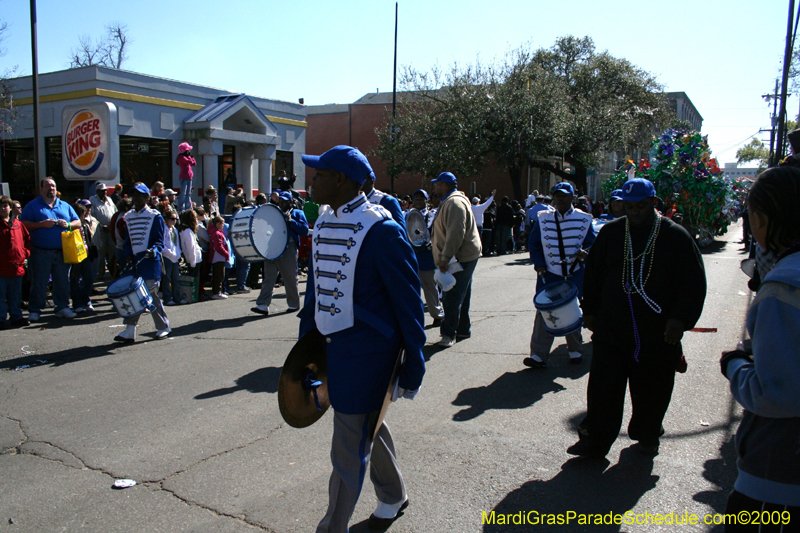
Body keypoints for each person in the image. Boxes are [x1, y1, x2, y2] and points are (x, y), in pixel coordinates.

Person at [299, 145, 425, 533]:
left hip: (371, 354)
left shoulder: (382, 229)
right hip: (335, 349)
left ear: (340, 180)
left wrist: (414, 361)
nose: (312, 180)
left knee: (347, 448)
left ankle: (331, 527)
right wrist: (306, 346)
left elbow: (409, 300)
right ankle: (393, 494)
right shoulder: (322, 223)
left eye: (319, 175)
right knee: (365, 424)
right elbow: (314, 296)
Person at [569, 177, 706, 458]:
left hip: (657, 332)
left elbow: (693, 283)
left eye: (641, 206)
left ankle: (647, 433)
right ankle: (595, 439)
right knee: (603, 389)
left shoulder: (675, 236)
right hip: (613, 329)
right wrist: (591, 311)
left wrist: (680, 320)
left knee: (652, 390)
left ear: (654, 203)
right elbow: (593, 275)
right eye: (629, 207)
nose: (634, 213)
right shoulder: (611, 233)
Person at [719, 166, 800, 526]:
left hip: (778, 480)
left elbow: (774, 394)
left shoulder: (782, 287)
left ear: (763, 220)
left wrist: (736, 364)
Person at [525, 182, 596, 367]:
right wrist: (539, 264)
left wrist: (585, 253)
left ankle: (575, 350)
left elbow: (593, 245)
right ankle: (538, 355)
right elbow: (534, 244)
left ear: (572, 197)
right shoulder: (543, 218)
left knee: (572, 311)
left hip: (575, 274)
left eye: (565, 196)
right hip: (549, 273)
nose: (561, 199)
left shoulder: (584, 219)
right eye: (558, 196)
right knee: (544, 312)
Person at [114, 183, 171, 343]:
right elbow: (128, 241)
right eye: (134, 195)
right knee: (133, 296)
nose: (137, 198)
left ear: (147, 197)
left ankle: (164, 327)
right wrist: (127, 255)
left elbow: (160, 242)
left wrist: (153, 251)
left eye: (140, 195)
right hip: (134, 263)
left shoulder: (155, 216)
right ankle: (130, 330)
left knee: (151, 297)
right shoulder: (129, 216)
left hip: (150, 262)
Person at [431, 172, 482, 347]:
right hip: (464, 255)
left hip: (458, 257)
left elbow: (455, 232)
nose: (435, 187)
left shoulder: (454, 203)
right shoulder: (452, 200)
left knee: (451, 295)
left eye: (437, 184)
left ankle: (448, 334)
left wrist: (445, 258)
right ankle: (462, 328)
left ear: (444, 185)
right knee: (463, 293)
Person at [20, 177, 81, 321]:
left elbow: (77, 222)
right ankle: (35, 309)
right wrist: (41, 224)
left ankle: (62, 307)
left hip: (62, 251)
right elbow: (23, 224)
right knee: (39, 282)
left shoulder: (64, 205)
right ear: (41, 189)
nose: (51, 188)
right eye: (47, 186)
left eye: (53, 186)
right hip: (40, 251)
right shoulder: (33, 206)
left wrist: (68, 225)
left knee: (62, 282)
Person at [251, 192, 308, 315]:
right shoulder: (274, 212)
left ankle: (293, 304)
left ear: (290, 202)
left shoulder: (297, 213)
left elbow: (304, 230)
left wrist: (291, 221)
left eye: (285, 201)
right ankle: (263, 305)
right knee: (269, 277)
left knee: (290, 277)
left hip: (288, 248)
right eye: (280, 201)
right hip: (272, 248)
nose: (281, 203)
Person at [406, 189, 444, 323]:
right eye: (416, 198)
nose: (418, 200)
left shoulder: (432, 214)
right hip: (412, 258)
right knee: (411, 290)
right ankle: (413, 320)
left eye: (421, 198)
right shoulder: (407, 215)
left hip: (427, 257)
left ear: (426, 200)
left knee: (430, 288)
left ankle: (437, 315)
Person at [0, 195, 31, 329]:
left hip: (16, 266)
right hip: (1, 267)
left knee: (15, 295)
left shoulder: (18, 224)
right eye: (0, 206)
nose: (2, 208)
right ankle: (1, 318)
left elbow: (27, 240)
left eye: (5, 205)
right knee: (0, 296)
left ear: (10, 208)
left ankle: (16, 316)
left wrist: (25, 254)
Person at [90, 182, 118, 282]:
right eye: (102, 191)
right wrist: (102, 226)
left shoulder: (109, 200)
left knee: (112, 251)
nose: (105, 192)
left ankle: (113, 273)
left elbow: (115, 212)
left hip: (111, 230)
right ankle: (100, 273)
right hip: (99, 230)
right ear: (97, 191)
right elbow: (92, 216)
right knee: (100, 252)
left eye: (105, 190)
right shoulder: (93, 201)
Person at [161, 210, 183, 305]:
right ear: (166, 219)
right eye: (172, 219)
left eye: (176, 219)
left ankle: (177, 297)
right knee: (167, 279)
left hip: (175, 257)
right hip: (167, 256)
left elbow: (177, 243)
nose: (174, 221)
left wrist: (179, 253)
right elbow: (163, 245)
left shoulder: (175, 230)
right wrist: (170, 253)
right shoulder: (163, 229)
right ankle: (167, 298)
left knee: (176, 279)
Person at [207, 215, 229, 300]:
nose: (223, 225)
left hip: (219, 257)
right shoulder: (216, 233)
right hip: (218, 257)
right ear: (218, 223)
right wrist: (226, 253)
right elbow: (218, 247)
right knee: (219, 275)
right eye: (222, 223)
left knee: (219, 275)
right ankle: (216, 292)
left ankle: (217, 291)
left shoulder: (217, 232)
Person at [176, 142, 196, 212]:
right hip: (184, 177)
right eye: (187, 150)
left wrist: (190, 157)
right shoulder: (181, 157)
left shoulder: (186, 157)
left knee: (188, 194)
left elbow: (194, 163)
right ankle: (181, 208)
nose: (188, 151)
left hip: (189, 177)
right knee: (183, 193)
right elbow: (189, 162)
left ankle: (188, 208)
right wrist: (191, 158)